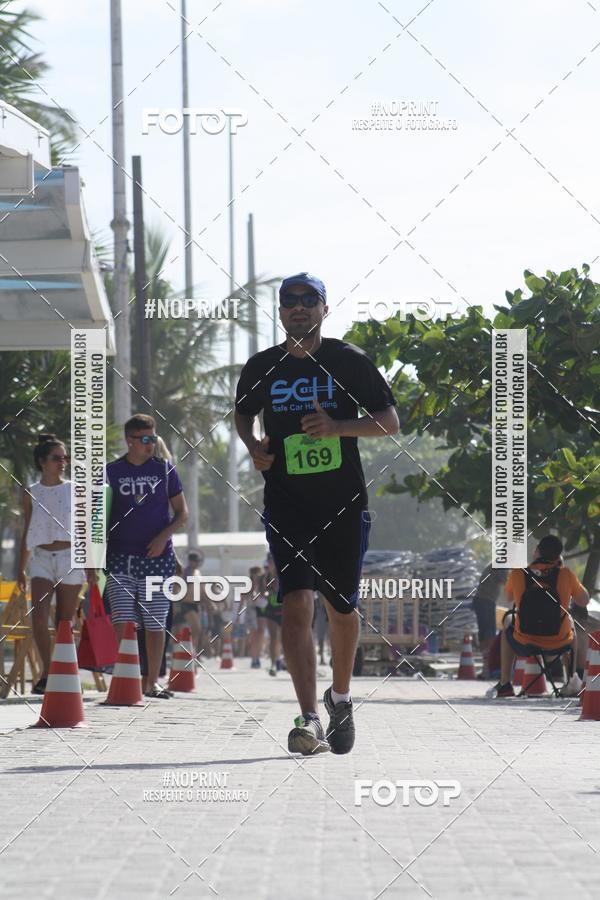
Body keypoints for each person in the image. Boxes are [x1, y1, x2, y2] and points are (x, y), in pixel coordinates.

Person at [235, 272, 399, 754]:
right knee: (295, 605)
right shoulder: (263, 366)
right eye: (290, 301)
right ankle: (309, 717)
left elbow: (389, 422)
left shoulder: (347, 362)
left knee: (342, 609)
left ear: (325, 309)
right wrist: (253, 446)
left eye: (310, 301)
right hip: (287, 504)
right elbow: (243, 412)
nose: (299, 308)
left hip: (343, 505)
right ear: (281, 311)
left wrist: (338, 427)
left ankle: (340, 698)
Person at [104, 414, 188, 698]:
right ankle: (127, 678)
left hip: (158, 560)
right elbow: (97, 517)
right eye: (145, 439)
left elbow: (182, 513)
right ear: (130, 440)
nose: (151, 443)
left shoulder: (165, 469)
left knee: (155, 623)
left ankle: (151, 682)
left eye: (153, 438)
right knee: (124, 622)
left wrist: (164, 536)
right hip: (119, 559)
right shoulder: (111, 472)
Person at [18, 434, 87, 694]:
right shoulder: (30, 492)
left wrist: (91, 567)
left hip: (70, 557)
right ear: (42, 461)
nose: (63, 462)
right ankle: (47, 672)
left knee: (64, 621)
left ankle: (63, 671)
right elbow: (28, 529)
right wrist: (20, 569)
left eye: (65, 458)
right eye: (57, 458)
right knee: (38, 617)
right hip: (42, 558)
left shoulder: (73, 489)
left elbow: (85, 529)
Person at [492, 534, 589, 698]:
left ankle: (505, 683)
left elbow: (507, 598)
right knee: (570, 623)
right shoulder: (565, 574)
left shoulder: (518, 573)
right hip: (559, 641)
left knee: (508, 620)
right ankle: (571, 681)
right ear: (558, 556)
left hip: (524, 640)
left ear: (536, 552)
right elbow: (584, 600)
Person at [472, 563, 507, 678]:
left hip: (481, 600)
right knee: (489, 636)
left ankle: (486, 668)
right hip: (486, 602)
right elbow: (506, 583)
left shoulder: (494, 564)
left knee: (484, 636)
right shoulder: (501, 566)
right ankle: (488, 668)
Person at [263, 553, 283, 676]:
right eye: (269, 561)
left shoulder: (282, 573)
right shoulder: (266, 577)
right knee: (273, 638)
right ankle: (273, 664)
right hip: (271, 608)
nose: (271, 563)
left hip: (283, 608)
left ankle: (283, 661)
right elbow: (263, 590)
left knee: (284, 638)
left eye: (272, 560)